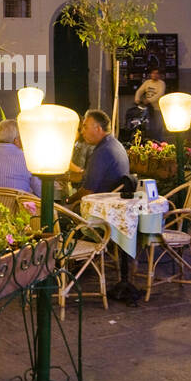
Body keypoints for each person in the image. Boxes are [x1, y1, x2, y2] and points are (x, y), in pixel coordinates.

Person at [65, 110, 138, 304]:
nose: (82, 131)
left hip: (101, 216)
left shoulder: (102, 152)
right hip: (112, 209)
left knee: (59, 214)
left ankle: (71, 262)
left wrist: (67, 201)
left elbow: (88, 191)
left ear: (98, 128)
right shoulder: (115, 145)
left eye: (85, 127)